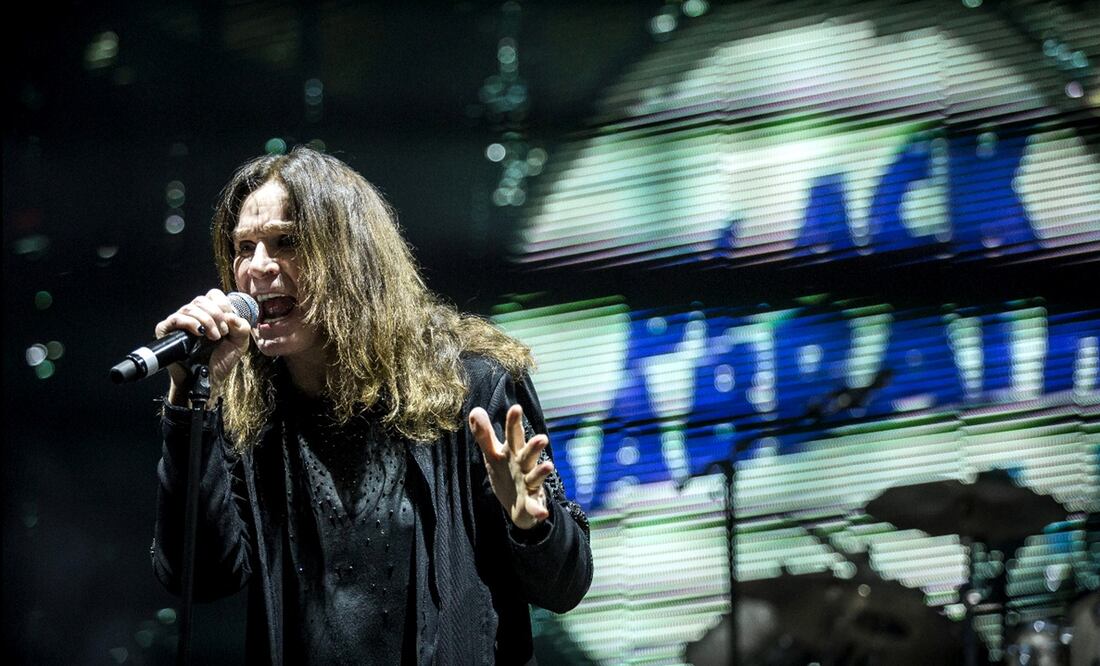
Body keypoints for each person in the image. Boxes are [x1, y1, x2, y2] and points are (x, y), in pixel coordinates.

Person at [150, 147, 593, 665]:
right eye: (244, 247)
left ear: (349, 255)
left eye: (286, 242)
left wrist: (531, 525)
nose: (258, 267)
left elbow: (566, 587)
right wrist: (190, 403)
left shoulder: (469, 386)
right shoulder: (250, 411)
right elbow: (200, 576)